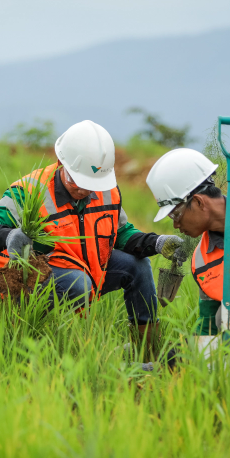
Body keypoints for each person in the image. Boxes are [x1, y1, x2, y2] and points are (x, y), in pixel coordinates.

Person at [0, 120, 186, 343]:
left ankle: (148, 350)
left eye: (91, 184)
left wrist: (155, 243)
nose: (83, 189)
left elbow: (120, 233)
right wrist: (10, 236)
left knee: (138, 266)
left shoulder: (107, 191)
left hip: (89, 265)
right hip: (41, 274)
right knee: (79, 283)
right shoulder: (29, 191)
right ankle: (28, 334)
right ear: (61, 163)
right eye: (77, 181)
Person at [146, 136, 230, 356]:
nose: (176, 225)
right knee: (224, 319)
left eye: (175, 214)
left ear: (198, 202)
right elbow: (207, 327)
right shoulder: (201, 261)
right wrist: (182, 358)